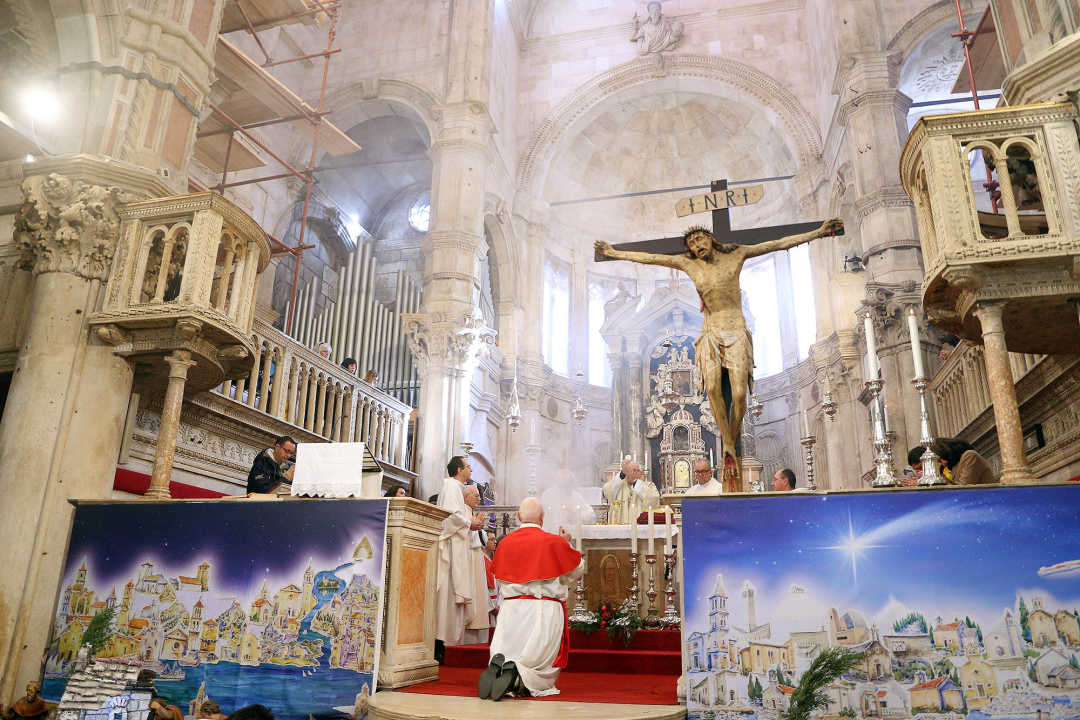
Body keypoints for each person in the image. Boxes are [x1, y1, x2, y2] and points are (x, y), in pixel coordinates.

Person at [595, 219, 842, 482]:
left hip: (735, 330)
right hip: (710, 333)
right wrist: (614, 253)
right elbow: (651, 257)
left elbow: (776, 244)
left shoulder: (736, 255)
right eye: (691, 243)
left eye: (699, 239)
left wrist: (819, 232)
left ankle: (730, 439)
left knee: (739, 393)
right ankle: (728, 444)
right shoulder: (690, 265)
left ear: (711, 239)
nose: (696, 245)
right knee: (712, 389)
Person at [482, 497, 584, 701]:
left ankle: (501, 668)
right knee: (540, 665)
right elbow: (576, 570)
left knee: (508, 650)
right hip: (542, 608)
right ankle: (518, 675)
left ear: (518, 517)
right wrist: (566, 543)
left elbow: (499, 576)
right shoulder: (554, 542)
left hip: (511, 609)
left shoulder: (504, 543)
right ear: (543, 517)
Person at [436, 457, 490, 652]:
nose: (471, 470)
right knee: (450, 596)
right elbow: (450, 516)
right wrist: (470, 523)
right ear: (459, 470)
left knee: (454, 598)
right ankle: (445, 643)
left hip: (458, 548)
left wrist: (471, 522)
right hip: (453, 551)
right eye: (468, 466)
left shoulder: (455, 488)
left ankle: (452, 643)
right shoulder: (451, 487)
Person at [602, 458, 659, 523]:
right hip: (621, 523)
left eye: (634, 470)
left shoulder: (648, 486)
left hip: (639, 525)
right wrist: (622, 474)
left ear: (641, 473)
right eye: (627, 470)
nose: (630, 473)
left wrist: (635, 481)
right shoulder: (619, 485)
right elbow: (608, 491)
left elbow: (654, 499)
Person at [540, 469, 597, 535]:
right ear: (558, 482)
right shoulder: (548, 495)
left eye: (571, 484)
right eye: (565, 485)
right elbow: (545, 518)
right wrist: (563, 518)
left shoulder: (576, 495)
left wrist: (577, 516)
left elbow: (591, 514)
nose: (568, 488)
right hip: (554, 534)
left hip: (575, 534)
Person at [931, 437, 995, 484]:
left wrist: (939, 478)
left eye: (939, 460)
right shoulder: (954, 466)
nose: (940, 464)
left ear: (945, 452)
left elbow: (964, 488)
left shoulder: (969, 456)